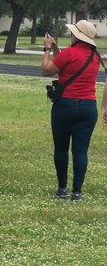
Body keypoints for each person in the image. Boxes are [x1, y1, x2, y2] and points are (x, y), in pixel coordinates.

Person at [41, 19, 106, 202]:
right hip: (88, 107)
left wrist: (47, 49)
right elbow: (70, 66)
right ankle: (77, 193)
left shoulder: (69, 53)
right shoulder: (95, 56)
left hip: (65, 105)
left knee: (61, 148)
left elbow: (46, 70)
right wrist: (56, 50)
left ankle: (62, 189)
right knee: (80, 151)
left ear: (76, 36)